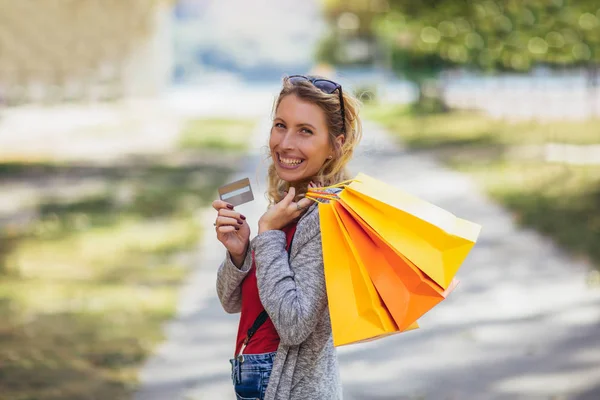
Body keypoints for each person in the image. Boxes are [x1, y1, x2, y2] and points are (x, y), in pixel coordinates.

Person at [213, 74, 362, 400]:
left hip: (292, 387)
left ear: (335, 145)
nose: (285, 143)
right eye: (280, 125)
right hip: (255, 373)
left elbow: (294, 325)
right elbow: (231, 301)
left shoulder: (326, 217)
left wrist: (267, 235)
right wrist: (239, 255)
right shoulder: (287, 203)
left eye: (305, 131)